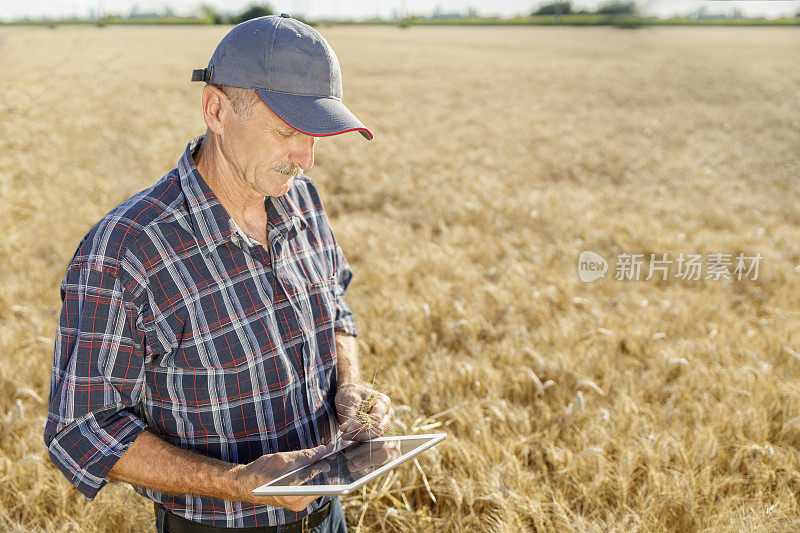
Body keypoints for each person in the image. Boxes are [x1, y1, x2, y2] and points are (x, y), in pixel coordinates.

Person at [44, 14, 393, 532]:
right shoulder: (128, 250)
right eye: (286, 132)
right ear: (217, 110)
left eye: (317, 135)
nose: (307, 159)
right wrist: (236, 481)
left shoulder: (301, 201)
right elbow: (82, 430)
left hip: (328, 517)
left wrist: (350, 386)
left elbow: (335, 305)